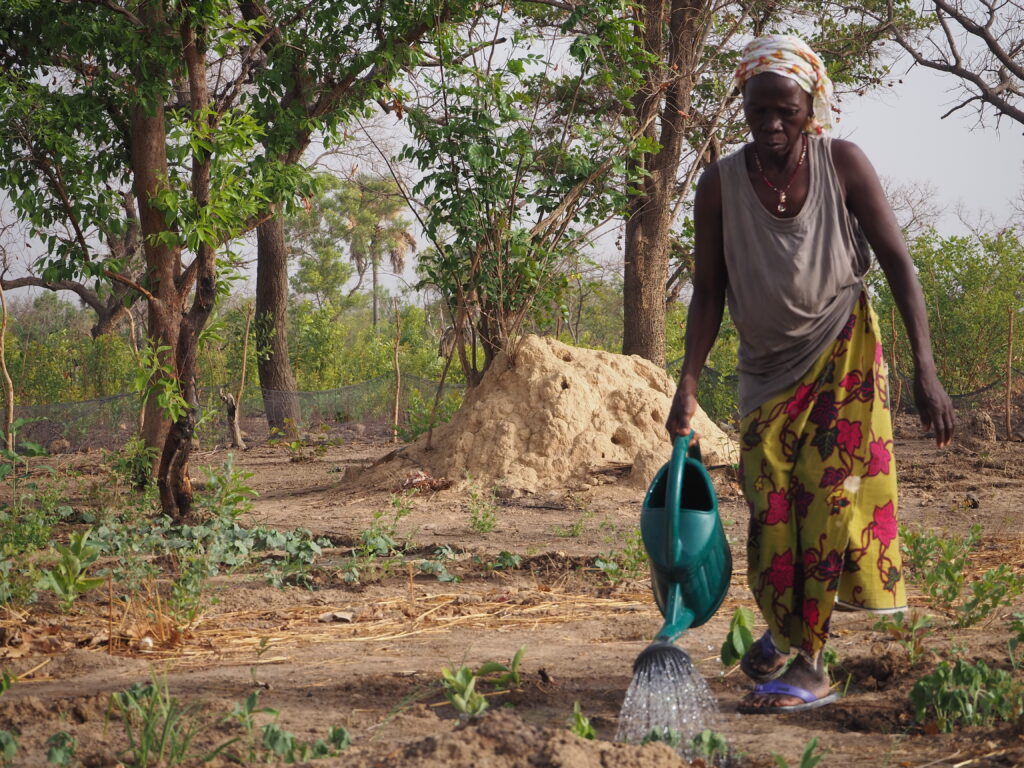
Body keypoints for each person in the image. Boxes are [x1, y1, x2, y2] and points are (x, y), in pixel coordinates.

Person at [665, 35, 955, 714]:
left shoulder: (842, 164)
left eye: (784, 111)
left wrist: (927, 370)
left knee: (828, 502)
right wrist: (686, 381)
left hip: (843, 356)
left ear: (810, 107)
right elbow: (708, 291)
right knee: (770, 510)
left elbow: (897, 263)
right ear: (743, 106)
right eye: (758, 109)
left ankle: (811, 663)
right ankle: (785, 629)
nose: (770, 124)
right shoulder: (720, 184)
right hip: (766, 374)